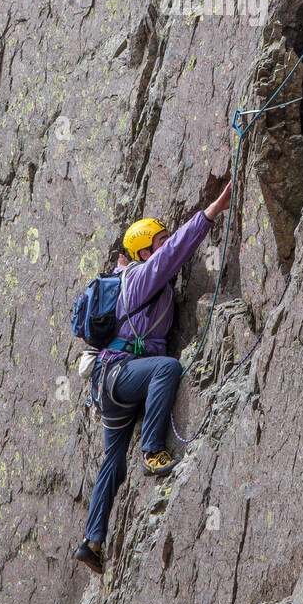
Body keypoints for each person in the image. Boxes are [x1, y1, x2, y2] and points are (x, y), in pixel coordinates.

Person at [74, 181, 232, 575]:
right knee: (168, 368)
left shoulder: (132, 278)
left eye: (162, 239)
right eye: (157, 241)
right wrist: (212, 211)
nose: (163, 245)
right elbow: (175, 254)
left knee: (112, 460)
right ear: (143, 251)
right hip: (123, 374)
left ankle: (92, 542)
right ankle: (152, 451)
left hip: (110, 384)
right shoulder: (139, 277)